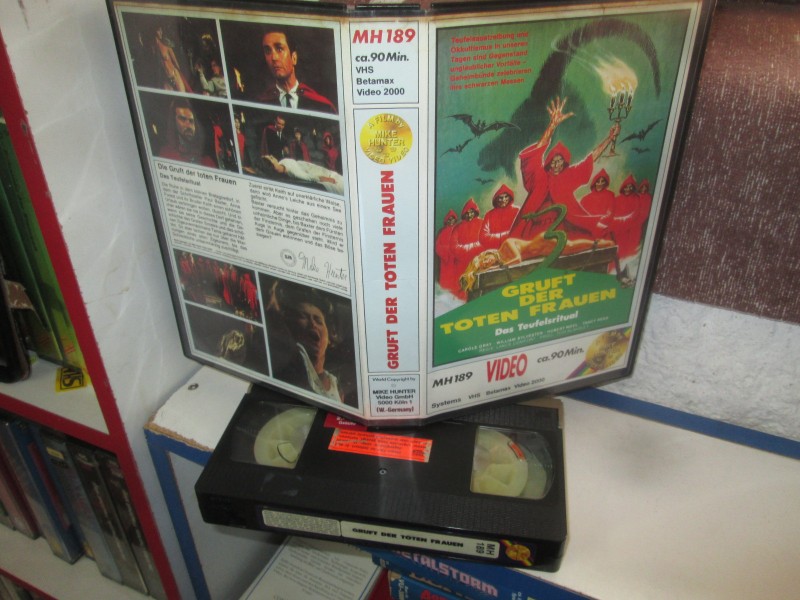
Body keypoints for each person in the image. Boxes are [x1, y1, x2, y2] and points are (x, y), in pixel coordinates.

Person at [509, 96, 617, 241]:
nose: (556, 164)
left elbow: (590, 159)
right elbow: (534, 157)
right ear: (549, 163)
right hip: (535, 228)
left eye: (560, 161)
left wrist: (609, 139)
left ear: (564, 163)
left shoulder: (568, 176)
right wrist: (552, 126)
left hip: (564, 225)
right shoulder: (540, 175)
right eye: (554, 161)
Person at [266, 281, 344, 403]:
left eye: (318, 320)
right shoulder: (289, 364)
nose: (313, 324)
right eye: (303, 317)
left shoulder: (336, 385)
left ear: (329, 339)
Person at [257, 30, 337, 113]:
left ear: (294, 58)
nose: (274, 57)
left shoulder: (322, 106)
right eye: (268, 51)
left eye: (279, 49)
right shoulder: (261, 104)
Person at [158, 99, 215, 167]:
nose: (188, 126)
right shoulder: (166, 154)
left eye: (191, 121)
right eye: (182, 119)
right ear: (173, 122)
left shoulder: (207, 161)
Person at [449, 199, 484, 299]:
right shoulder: (458, 227)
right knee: (463, 286)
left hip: (477, 260)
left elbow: (484, 241)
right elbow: (453, 245)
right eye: (467, 213)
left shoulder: (482, 223)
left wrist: (472, 249)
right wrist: (467, 250)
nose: (469, 215)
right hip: (461, 262)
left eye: (471, 212)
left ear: (475, 212)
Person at [262, 154, 344, 195]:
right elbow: (310, 178)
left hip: (309, 167)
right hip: (317, 173)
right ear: (272, 166)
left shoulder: (282, 161)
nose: (272, 156)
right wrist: (328, 179)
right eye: (271, 158)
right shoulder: (293, 172)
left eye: (271, 156)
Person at [479, 184, 519, 250]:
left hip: (514, 248)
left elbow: (519, 231)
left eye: (506, 197)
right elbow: (483, 238)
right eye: (500, 198)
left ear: (510, 197)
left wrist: (495, 237)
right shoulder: (489, 215)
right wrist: (507, 235)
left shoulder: (517, 211)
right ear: (496, 199)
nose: (503, 200)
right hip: (495, 251)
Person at [154, 25, 192, 93]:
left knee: (182, 94)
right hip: (165, 78)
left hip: (174, 74)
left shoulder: (166, 44)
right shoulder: (153, 48)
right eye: (158, 30)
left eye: (161, 30)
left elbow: (174, 59)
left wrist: (180, 73)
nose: (161, 32)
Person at [434, 210, 459, 293]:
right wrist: (446, 253)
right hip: (445, 261)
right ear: (446, 220)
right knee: (446, 282)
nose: (451, 221)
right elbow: (437, 246)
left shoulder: (458, 229)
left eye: (452, 219)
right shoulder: (442, 232)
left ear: (455, 220)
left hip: (456, 260)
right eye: (449, 219)